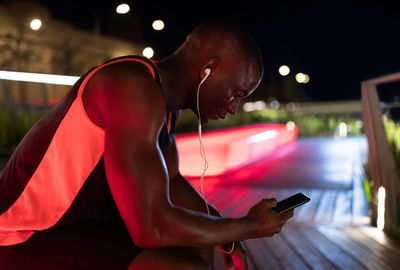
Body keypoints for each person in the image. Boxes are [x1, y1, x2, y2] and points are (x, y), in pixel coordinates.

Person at [0, 20, 293, 269]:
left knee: (196, 250)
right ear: (208, 70)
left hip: (79, 227)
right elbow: (150, 227)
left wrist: (227, 236)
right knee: (183, 266)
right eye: (237, 92)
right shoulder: (131, 87)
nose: (234, 108)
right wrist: (249, 226)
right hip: (21, 235)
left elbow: (173, 181)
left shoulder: (164, 103)